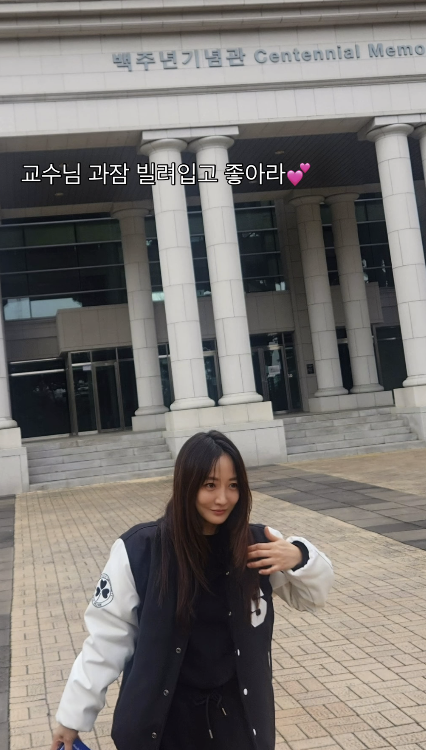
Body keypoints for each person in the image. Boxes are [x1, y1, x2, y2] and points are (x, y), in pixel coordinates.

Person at [50, 430, 334, 750]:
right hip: (163, 728)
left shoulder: (256, 546)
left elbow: (313, 597)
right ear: (187, 485)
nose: (223, 498)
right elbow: (107, 639)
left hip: (237, 725)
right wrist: (72, 718)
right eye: (210, 485)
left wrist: (299, 556)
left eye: (233, 485)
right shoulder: (141, 549)